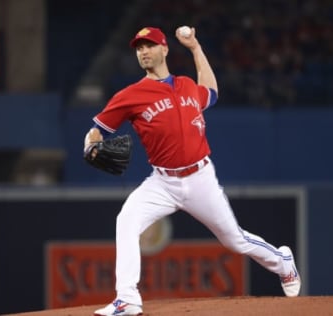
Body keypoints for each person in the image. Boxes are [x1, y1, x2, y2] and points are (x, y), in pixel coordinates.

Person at [84, 26, 301, 316]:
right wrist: (91, 146)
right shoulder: (130, 95)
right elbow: (96, 131)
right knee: (126, 221)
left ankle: (283, 262)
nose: (143, 52)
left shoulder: (186, 85)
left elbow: (211, 91)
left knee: (234, 240)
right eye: (138, 48)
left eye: (149, 45)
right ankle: (127, 299)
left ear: (164, 49)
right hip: (161, 183)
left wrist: (196, 48)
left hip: (200, 179)